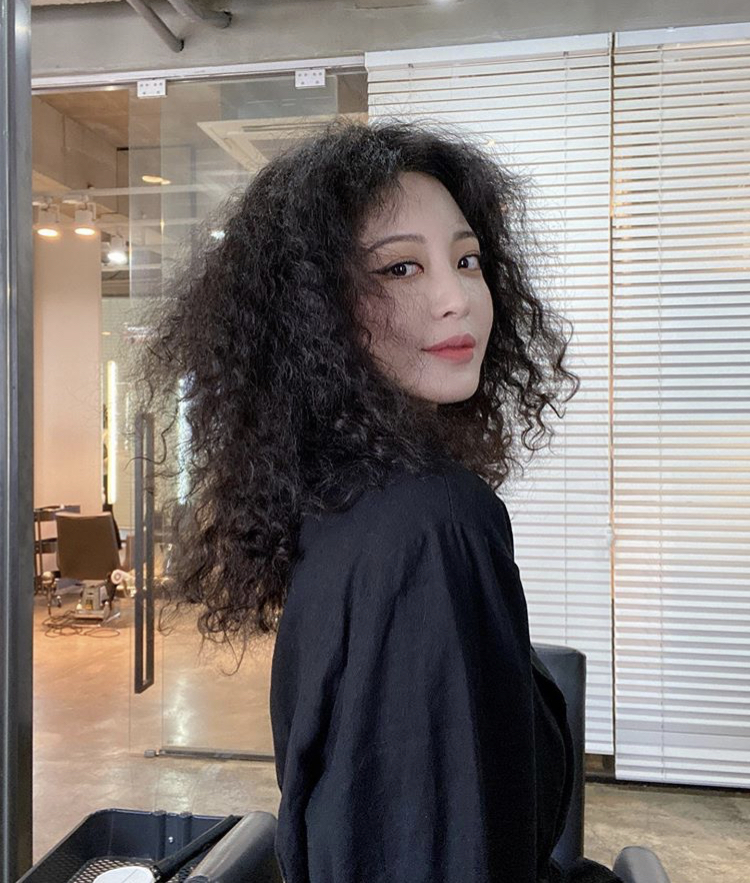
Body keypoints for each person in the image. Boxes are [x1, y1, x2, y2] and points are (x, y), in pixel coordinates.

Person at [137, 118, 622, 883]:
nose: (457, 298)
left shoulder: (346, 501)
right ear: (316, 313)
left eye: (467, 259)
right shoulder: (431, 525)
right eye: (400, 268)